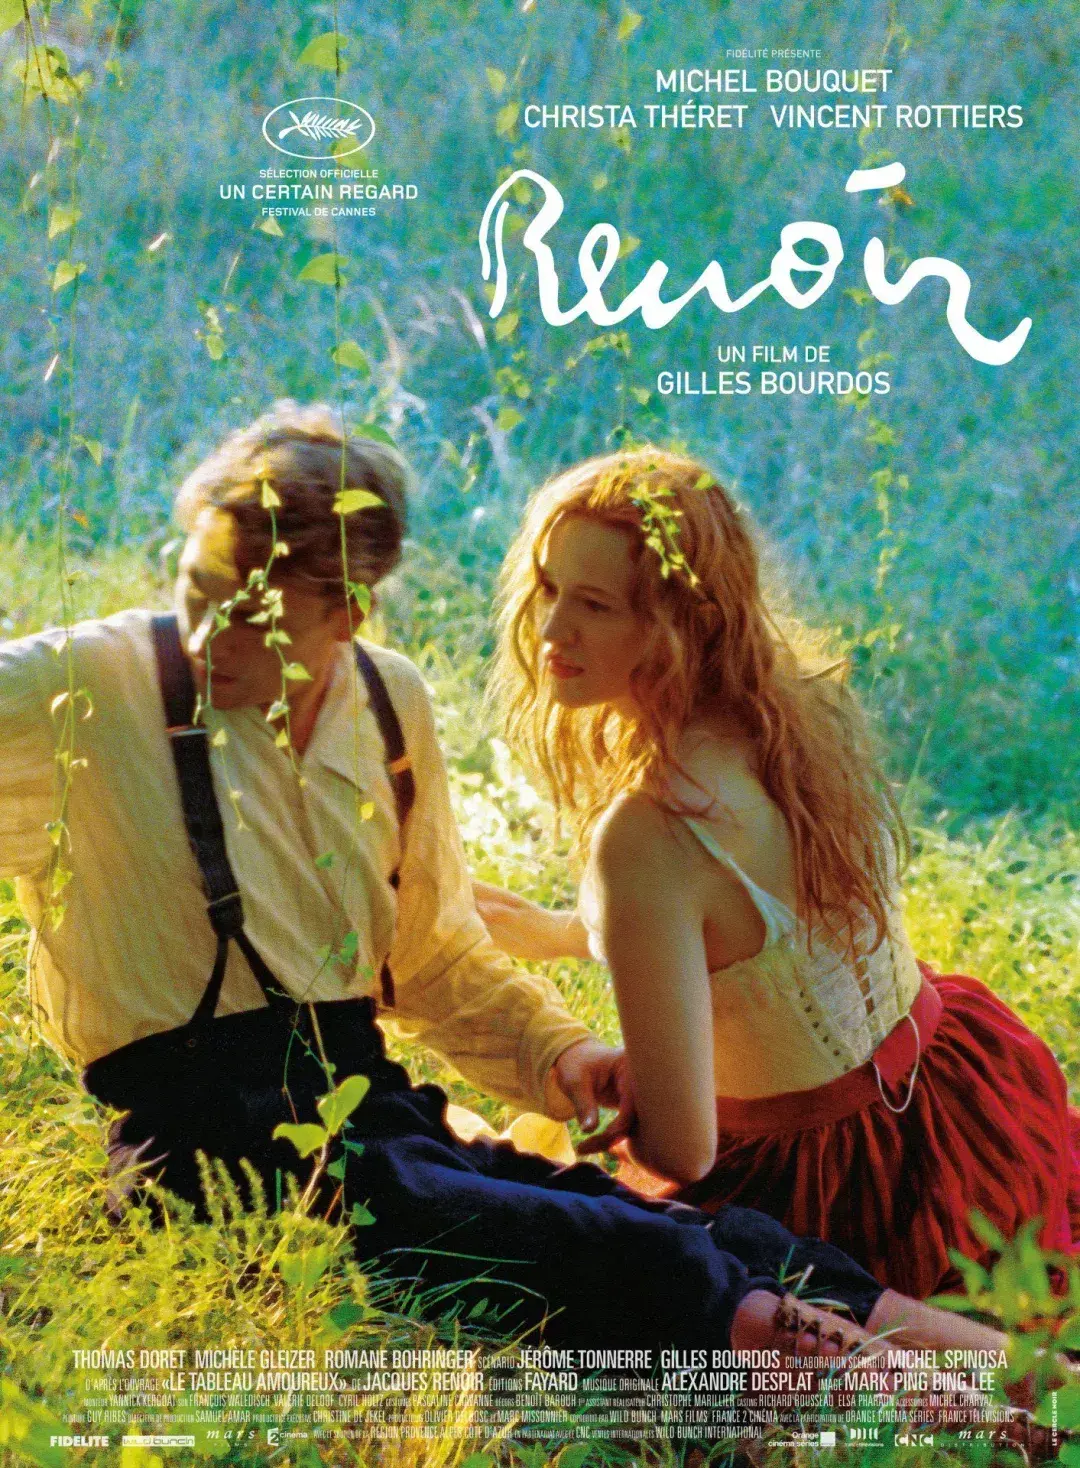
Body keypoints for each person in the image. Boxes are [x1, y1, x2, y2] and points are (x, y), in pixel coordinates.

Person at [0, 401, 1026, 1393]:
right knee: (644, 1258)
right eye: (198, 589)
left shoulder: (387, 702)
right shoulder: (88, 684)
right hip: (210, 1151)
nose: (206, 636)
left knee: (729, 1238)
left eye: (254, 619)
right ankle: (980, 1434)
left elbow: (432, 959)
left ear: (346, 615)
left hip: (372, 1112)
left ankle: (1044, 1398)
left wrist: (560, 1057)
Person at [481, 445, 1080, 1302]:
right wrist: (557, 933)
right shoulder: (797, 715)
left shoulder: (650, 834)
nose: (550, 632)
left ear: (679, 622)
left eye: (595, 605)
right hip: (953, 1096)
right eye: (549, 590)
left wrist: (606, 1077)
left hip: (837, 1193)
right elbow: (762, 935)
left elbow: (683, 1149)